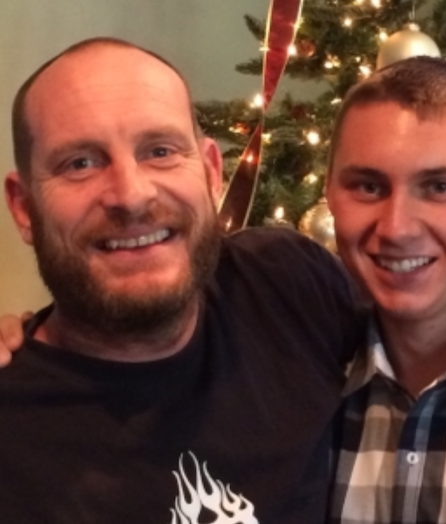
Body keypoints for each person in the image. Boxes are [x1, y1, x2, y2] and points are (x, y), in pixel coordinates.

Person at [0, 37, 364, 524]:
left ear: (212, 174)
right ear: (24, 207)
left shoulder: (289, 285)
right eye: (80, 163)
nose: (131, 195)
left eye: (160, 151)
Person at [325, 56, 446, 523]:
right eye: (368, 186)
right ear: (330, 193)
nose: (396, 229)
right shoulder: (300, 373)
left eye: (439, 187)